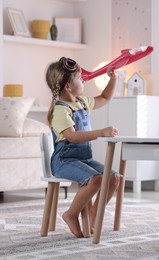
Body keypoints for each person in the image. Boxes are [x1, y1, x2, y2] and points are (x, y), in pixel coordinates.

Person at [45, 57, 120, 238]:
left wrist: (113, 79)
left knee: (113, 177)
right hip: (64, 160)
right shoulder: (61, 110)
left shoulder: (82, 102)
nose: (84, 79)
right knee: (95, 180)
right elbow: (72, 136)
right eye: (80, 77)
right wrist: (100, 132)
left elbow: (104, 97)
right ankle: (71, 214)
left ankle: (94, 212)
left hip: (83, 159)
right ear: (68, 87)